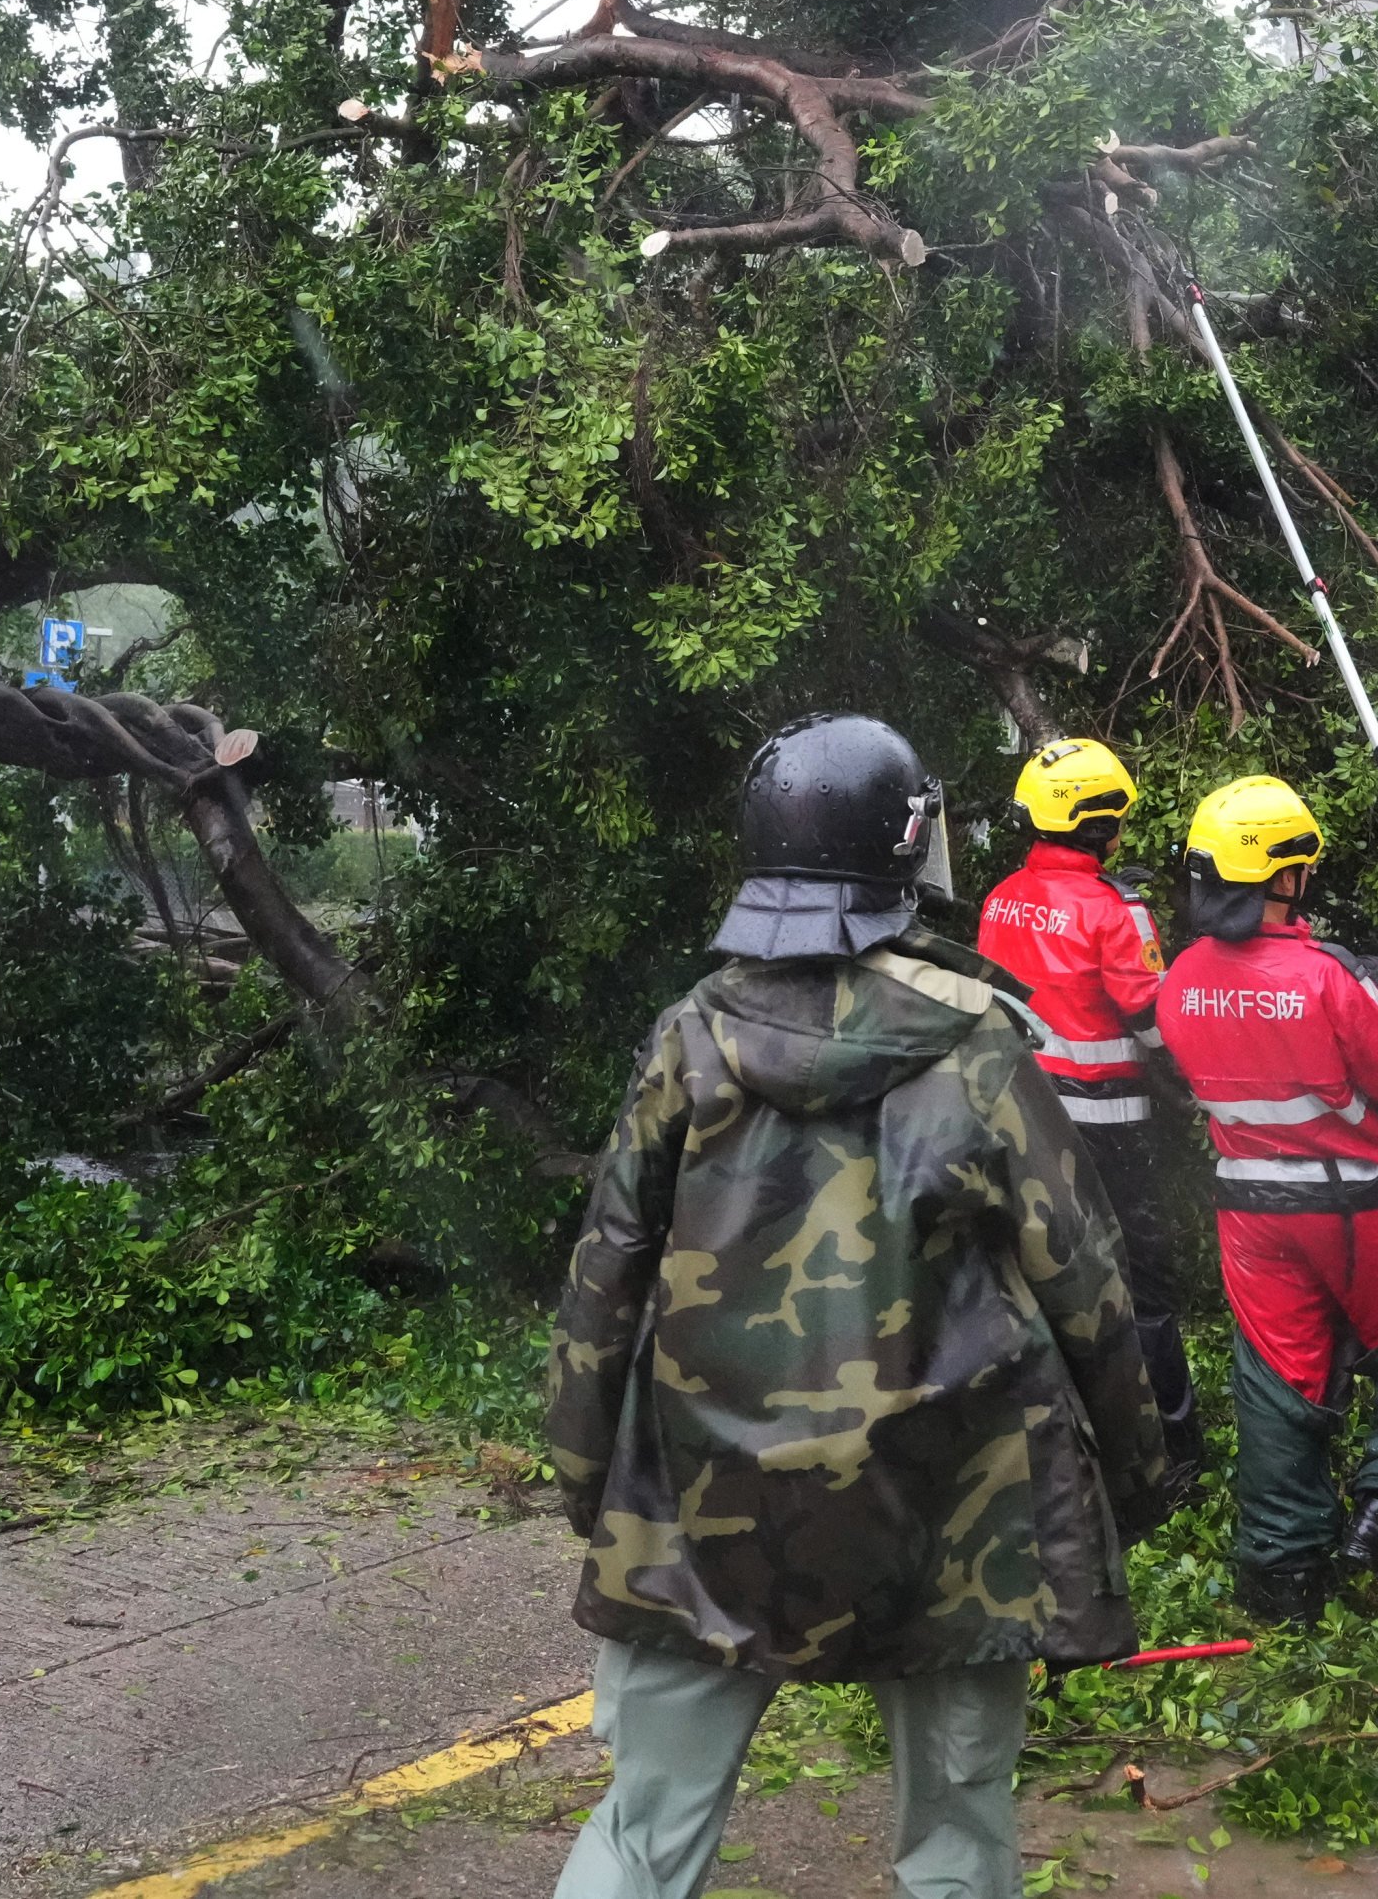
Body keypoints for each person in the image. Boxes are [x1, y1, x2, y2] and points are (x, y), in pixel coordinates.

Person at [545, 714, 1174, 1899]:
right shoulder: (980, 1039)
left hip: (699, 1508)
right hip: (957, 1510)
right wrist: (1133, 1484)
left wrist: (585, 1477)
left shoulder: (691, 1036)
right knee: (956, 1839)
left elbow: (606, 1275)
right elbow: (1084, 1282)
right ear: (906, 847)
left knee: (643, 1835)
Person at [1151, 774, 1378, 1622]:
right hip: (1361, 1206)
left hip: (1249, 1211)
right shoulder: (1329, 976)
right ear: (1287, 874)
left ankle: (1280, 1580)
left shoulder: (1178, 978)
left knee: (1278, 1377)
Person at [975, 734, 1202, 1473]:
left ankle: (1055, 1444)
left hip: (1020, 1118)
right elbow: (1152, 1021)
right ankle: (1172, 1450)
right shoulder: (1116, 910)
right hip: (1109, 1126)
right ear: (1100, 823)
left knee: (1039, 1277)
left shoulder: (1000, 901)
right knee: (1143, 1288)